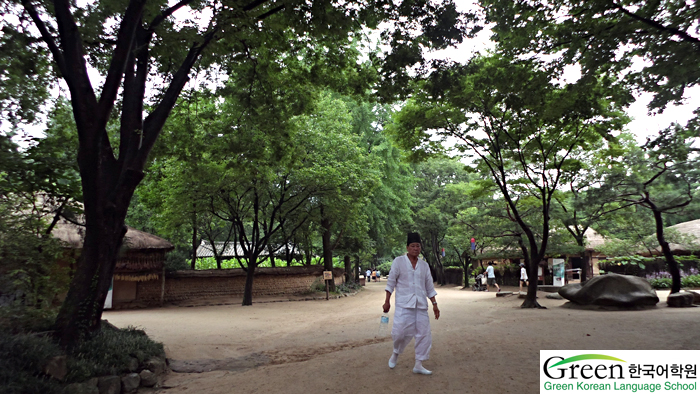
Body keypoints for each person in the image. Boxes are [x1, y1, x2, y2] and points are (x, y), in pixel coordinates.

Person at [383, 232, 440, 375]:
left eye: (418, 246)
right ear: (407, 247)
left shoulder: (424, 265)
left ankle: (418, 364)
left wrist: (434, 304)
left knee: (424, 334)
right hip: (404, 304)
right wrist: (387, 301)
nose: (416, 248)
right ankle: (396, 352)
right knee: (399, 332)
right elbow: (391, 282)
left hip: (420, 305)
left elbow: (429, 287)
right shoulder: (398, 262)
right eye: (413, 246)